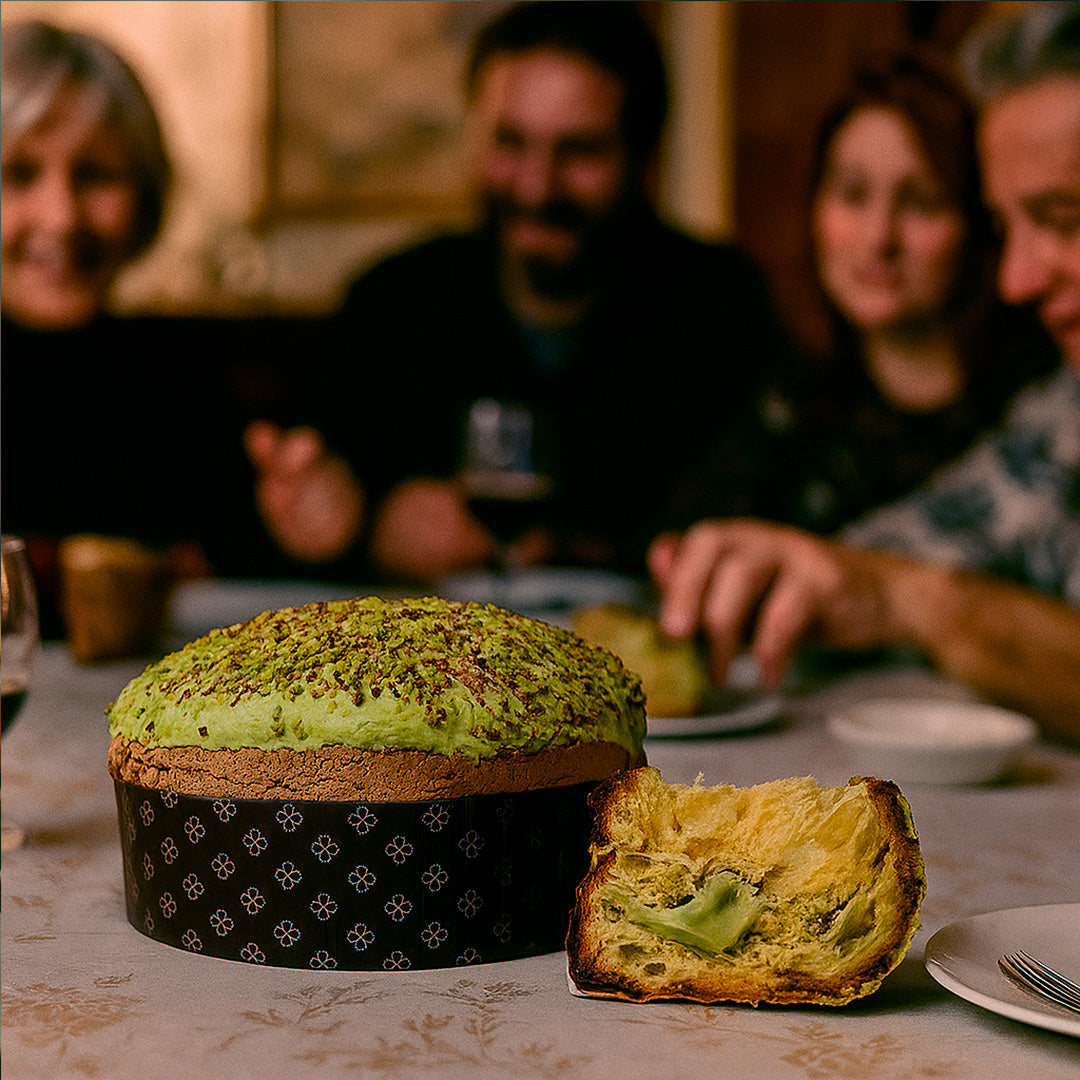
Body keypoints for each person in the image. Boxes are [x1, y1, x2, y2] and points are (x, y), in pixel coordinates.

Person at [651, 1, 1080, 744]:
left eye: (1066, 219)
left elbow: (923, 592)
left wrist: (917, 600)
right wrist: (812, 576)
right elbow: (928, 544)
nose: (1018, 279)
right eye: (1010, 226)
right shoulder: (1064, 410)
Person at [321, 0, 792, 583]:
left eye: (579, 152)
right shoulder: (391, 305)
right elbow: (287, 515)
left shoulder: (720, 308)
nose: (537, 188)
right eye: (510, 143)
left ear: (645, 157)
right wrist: (367, 526)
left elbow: (767, 521)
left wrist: (586, 551)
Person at [0, 19, 363, 628]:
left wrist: (318, 535)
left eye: (95, 176)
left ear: (145, 194)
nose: (61, 217)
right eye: (18, 174)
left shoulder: (180, 378)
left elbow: (247, 566)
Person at [669, 47, 1058, 535]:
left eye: (920, 202)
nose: (879, 239)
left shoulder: (1044, 407)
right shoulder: (783, 399)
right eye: (852, 195)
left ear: (981, 222)